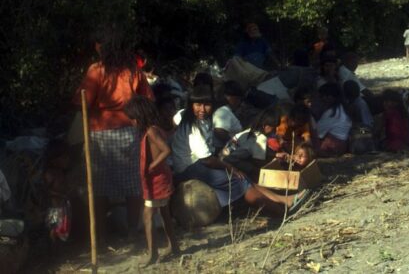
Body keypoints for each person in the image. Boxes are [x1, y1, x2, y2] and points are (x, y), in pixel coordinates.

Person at [172, 86, 306, 214]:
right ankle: (279, 211)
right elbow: (207, 160)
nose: (202, 109)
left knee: (244, 177)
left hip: (201, 164)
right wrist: (230, 168)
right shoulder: (192, 126)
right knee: (238, 180)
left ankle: (284, 200)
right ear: (191, 105)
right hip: (190, 168)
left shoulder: (203, 120)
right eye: (198, 105)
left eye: (206, 104)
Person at [74, 27, 153, 239]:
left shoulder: (96, 70)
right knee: (132, 184)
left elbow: (81, 101)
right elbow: (148, 99)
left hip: (100, 133)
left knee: (99, 185)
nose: (96, 49)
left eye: (98, 45)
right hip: (130, 132)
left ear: (103, 47)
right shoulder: (132, 71)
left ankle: (99, 233)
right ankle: (132, 230)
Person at [124, 96, 178, 265]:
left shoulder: (152, 131)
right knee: (164, 213)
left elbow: (166, 150)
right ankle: (174, 246)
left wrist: (151, 167)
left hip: (157, 180)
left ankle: (152, 253)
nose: (132, 123)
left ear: (139, 117)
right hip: (158, 178)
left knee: (147, 215)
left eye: (133, 119)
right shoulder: (153, 130)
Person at [313, 83, 352, 156]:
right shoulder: (342, 109)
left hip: (333, 147)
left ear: (330, 97)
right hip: (342, 146)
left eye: (322, 96)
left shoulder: (331, 113)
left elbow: (317, 132)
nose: (321, 99)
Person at [212, 81, 245, 152]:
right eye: (237, 98)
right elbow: (219, 130)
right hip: (219, 149)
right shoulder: (224, 111)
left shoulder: (225, 110)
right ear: (228, 96)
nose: (239, 101)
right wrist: (232, 141)